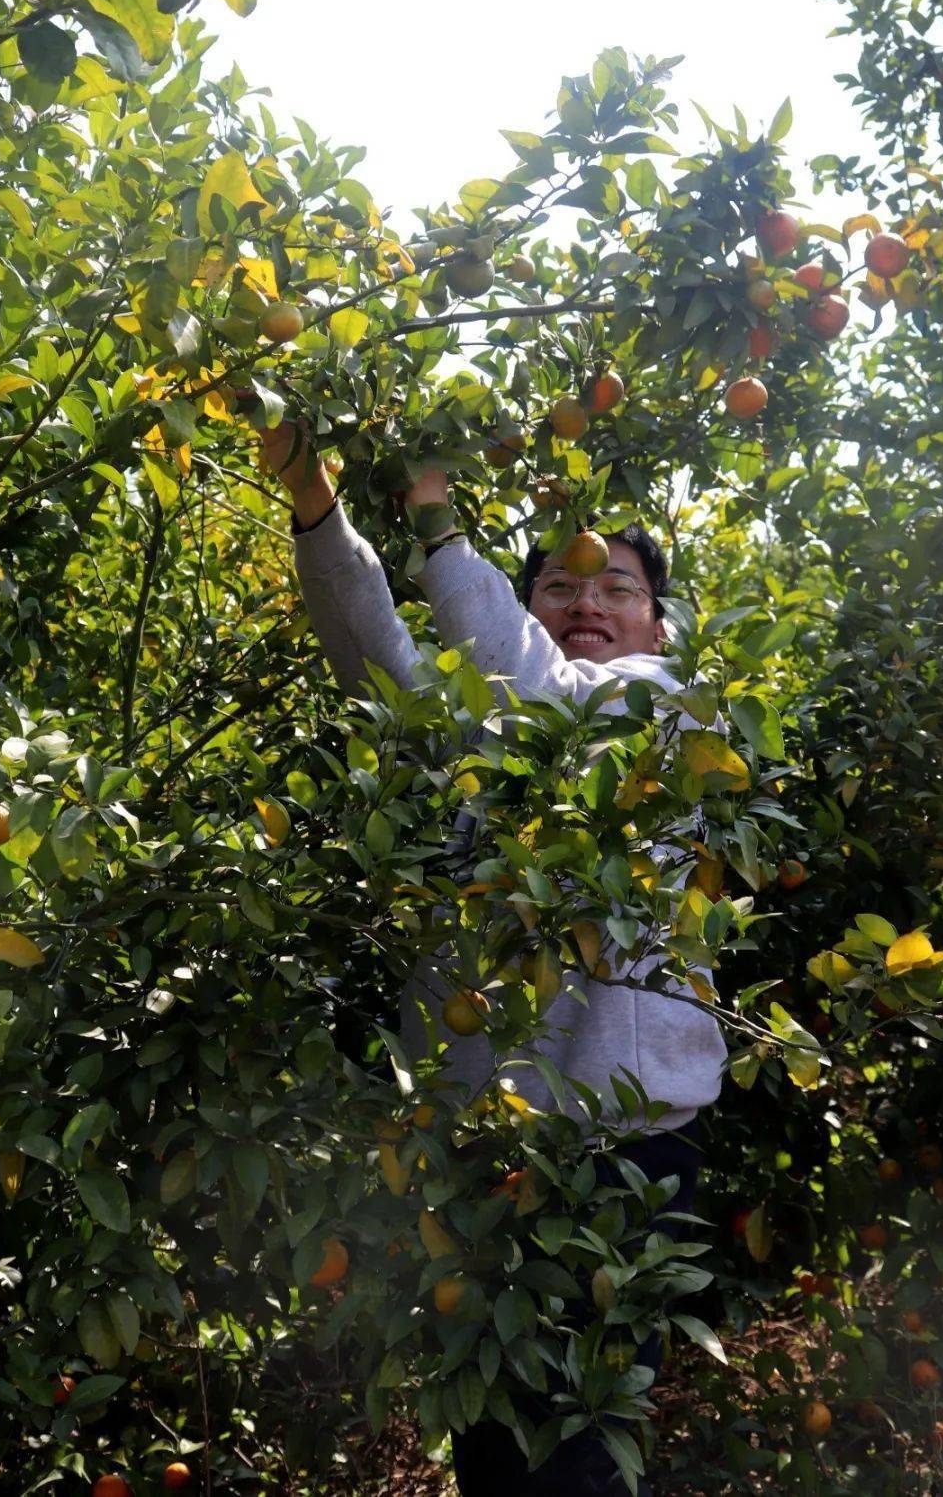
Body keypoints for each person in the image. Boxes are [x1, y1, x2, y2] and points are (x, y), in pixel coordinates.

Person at [261, 424, 726, 1495]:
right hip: (477, 1145)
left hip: (624, 1154)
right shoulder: (486, 704)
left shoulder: (665, 706)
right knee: (492, 1447)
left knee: (582, 1454)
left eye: (615, 584)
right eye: (559, 586)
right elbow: (372, 645)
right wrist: (313, 498)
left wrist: (437, 511)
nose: (588, 601)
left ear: (660, 621)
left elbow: (546, 695)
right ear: (516, 614)